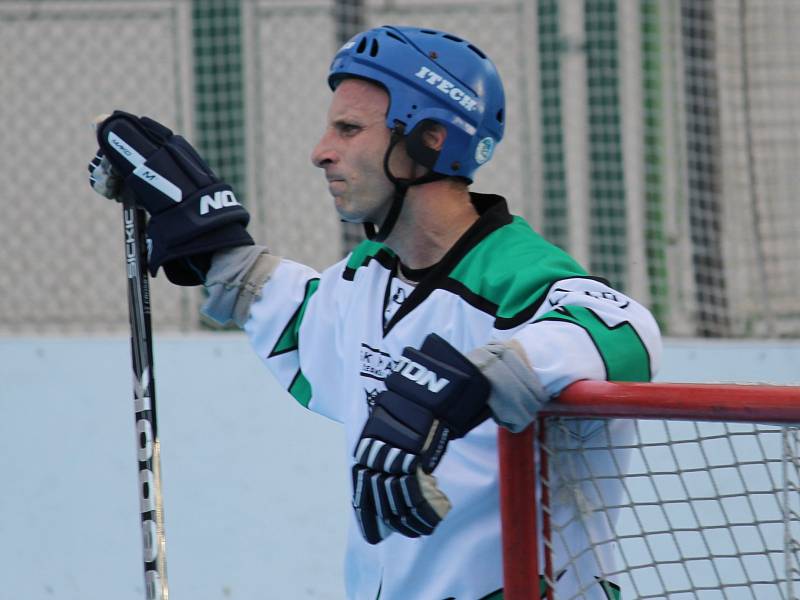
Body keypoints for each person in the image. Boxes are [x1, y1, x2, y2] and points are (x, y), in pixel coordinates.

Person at [88, 25, 661, 600]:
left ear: (429, 139)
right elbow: (299, 320)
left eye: (349, 129)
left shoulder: (516, 273)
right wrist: (212, 242)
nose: (321, 152)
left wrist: (453, 385)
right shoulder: (368, 277)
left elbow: (625, 331)